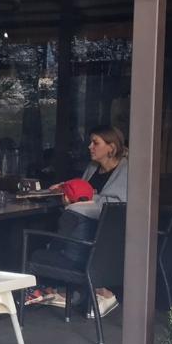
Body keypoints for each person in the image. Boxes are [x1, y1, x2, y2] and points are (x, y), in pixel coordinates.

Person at [29, 125, 128, 316]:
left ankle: (62, 291)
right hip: (84, 233)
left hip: (101, 244)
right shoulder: (92, 168)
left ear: (111, 147)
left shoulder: (125, 172)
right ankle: (70, 292)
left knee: (40, 250)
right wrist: (66, 189)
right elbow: (82, 193)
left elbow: (106, 205)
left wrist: (77, 202)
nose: (90, 147)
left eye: (95, 143)